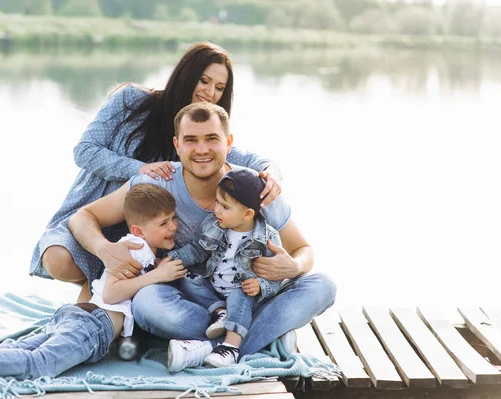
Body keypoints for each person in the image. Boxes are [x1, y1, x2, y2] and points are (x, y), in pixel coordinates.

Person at [68, 102, 337, 373]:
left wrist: (295, 265)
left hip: (252, 293)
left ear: (228, 142)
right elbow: (82, 218)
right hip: (197, 303)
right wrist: (104, 249)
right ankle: (252, 338)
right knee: (146, 303)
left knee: (323, 286)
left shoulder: (254, 186)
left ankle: (215, 346)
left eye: (211, 139)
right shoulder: (158, 181)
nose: (201, 149)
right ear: (177, 145)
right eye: (191, 140)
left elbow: (303, 249)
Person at [30, 42, 283, 303]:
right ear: (186, 75)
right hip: (98, 209)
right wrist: (138, 169)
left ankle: (101, 306)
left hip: (144, 231)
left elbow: (242, 156)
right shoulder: (131, 100)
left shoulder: (197, 140)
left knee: (111, 292)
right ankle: (99, 291)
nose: (210, 92)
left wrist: (271, 171)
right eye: (204, 80)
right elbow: (84, 150)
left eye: (219, 88)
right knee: (56, 259)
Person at [0, 184, 186, 399]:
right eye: (164, 223)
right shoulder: (133, 249)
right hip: (93, 325)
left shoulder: (144, 251)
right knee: (40, 364)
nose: (173, 226)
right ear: (138, 230)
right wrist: (157, 276)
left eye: (173, 219)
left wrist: (155, 268)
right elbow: (112, 294)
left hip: (81, 319)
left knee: (16, 350)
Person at [165, 168, 285, 368]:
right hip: (214, 288)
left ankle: (230, 347)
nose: (217, 210)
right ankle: (221, 312)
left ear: (247, 214)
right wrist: (172, 259)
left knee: (239, 295)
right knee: (190, 280)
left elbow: (276, 278)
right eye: (217, 203)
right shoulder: (213, 224)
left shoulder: (267, 238)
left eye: (225, 207)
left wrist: (261, 285)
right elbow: (197, 250)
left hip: (243, 294)